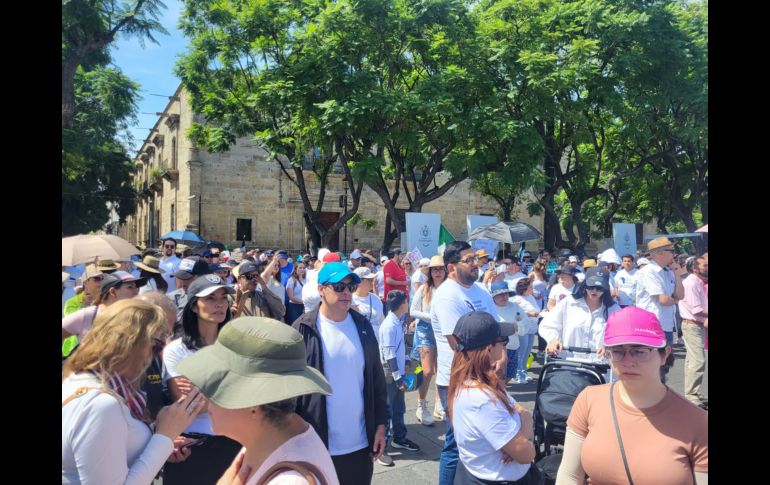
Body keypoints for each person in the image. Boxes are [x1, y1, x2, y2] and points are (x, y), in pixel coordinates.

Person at [173, 316, 340, 485]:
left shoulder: (289, 480)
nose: (206, 394)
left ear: (253, 402)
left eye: (217, 385)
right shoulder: (266, 440)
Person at [555, 307, 708, 484]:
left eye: (639, 351)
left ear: (664, 355)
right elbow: (569, 475)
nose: (628, 362)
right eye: (618, 351)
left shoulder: (698, 422)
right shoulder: (589, 400)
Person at [62, 299, 205, 484]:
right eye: (157, 346)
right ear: (128, 342)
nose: (159, 355)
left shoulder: (79, 377)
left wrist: (157, 442)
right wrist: (164, 436)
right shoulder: (101, 404)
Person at [293, 262, 389, 483]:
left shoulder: (363, 326)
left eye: (350, 287)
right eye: (338, 286)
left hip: (360, 444)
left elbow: (376, 380)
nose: (346, 292)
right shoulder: (302, 330)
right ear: (321, 290)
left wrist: (381, 425)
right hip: (317, 444)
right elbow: (291, 392)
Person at [162, 275, 243, 484]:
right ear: (194, 307)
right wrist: (229, 390)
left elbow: (248, 400)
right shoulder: (176, 350)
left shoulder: (237, 347)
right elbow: (187, 404)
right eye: (210, 298)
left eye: (223, 297)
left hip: (233, 442)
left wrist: (201, 391)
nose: (219, 304)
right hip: (191, 447)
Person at [430, 241, 499, 485]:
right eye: (468, 260)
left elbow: (496, 328)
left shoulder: (480, 291)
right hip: (456, 379)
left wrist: (500, 356)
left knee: (477, 441)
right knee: (456, 443)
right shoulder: (447, 296)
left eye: (475, 259)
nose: (475, 264)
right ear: (451, 267)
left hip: (484, 375)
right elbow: (458, 343)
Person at [448, 311, 542, 485]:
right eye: (503, 342)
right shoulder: (483, 400)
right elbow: (527, 454)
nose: (505, 347)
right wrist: (526, 436)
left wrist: (520, 433)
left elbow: (522, 411)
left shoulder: (471, 381)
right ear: (489, 349)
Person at [539, 267, 620, 362]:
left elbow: (621, 334)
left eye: (599, 288)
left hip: (599, 365)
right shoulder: (568, 303)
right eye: (591, 286)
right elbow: (548, 325)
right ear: (585, 285)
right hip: (568, 363)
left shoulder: (614, 310)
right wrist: (552, 339)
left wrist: (609, 345)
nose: (594, 291)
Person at [635, 237, 686, 381]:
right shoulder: (649, 271)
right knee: (651, 366)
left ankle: (658, 396)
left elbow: (680, 295)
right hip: (651, 326)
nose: (674, 254)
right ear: (660, 253)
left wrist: (677, 275)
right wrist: (674, 299)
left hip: (666, 325)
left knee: (664, 365)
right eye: (671, 251)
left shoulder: (668, 272)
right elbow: (663, 300)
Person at [379, 290, 421, 458]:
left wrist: (405, 359)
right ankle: (382, 447)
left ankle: (399, 438)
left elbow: (399, 347)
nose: (408, 304)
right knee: (388, 410)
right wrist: (398, 378)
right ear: (402, 304)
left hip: (397, 370)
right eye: (406, 301)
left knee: (399, 408)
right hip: (390, 373)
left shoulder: (398, 321)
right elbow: (388, 355)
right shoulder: (389, 325)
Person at [409, 255, 446, 426]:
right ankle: (421, 404)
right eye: (434, 269)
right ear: (430, 272)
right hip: (425, 329)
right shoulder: (424, 288)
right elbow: (413, 311)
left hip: (444, 331)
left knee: (443, 369)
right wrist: (432, 317)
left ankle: (439, 403)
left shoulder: (449, 289)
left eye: (440, 268)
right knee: (427, 370)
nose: (437, 272)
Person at [62, 271, 145, 344]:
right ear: (113, 292)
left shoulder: (138, 318)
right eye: (130, 287)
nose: (136, 292)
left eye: (137, 287)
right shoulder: (88, 315)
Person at [678, 256, 708, 407]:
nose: (707, 268)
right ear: (695, 268)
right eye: (705, 265)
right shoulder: (691, 283)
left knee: (692, 361)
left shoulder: (697, 282)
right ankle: (691, 394)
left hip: (696, 325)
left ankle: (692, 392)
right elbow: (697, 310)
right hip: (692, 325)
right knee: (698, 361)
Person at [489, 280, 522, 383]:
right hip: (498, 348)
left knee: (510, 375)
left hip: (514, 345)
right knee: (499, 374)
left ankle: (502, 391)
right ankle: (500, 395)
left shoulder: (515, 306)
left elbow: (524, 320)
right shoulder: (490, 308)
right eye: (500, 294)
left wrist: (519, 326)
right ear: (493, 296)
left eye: (506, 294)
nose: (504, 297)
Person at [511, 278, 541, 384]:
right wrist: (529, 314)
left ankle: (523, 372)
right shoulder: (516, 299)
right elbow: (515, 314)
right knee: (521, 352)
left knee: (527, 353)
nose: (532, 289)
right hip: (522, 329)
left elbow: (536, 309)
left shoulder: (531, 297)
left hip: (532, 328)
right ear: (524, 288)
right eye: (530, 287)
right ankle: (517, 374)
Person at [351, 267, 385, 341]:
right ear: (359, 281)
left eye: (372, 280)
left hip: (376, 343)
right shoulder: (350, 299)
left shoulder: (376, 299)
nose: (372, 282)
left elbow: (382, 321)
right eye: (369, 280)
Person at [285, 260, 307, 324]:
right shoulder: (291, 280)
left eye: (303, 268)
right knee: (296, 324)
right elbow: (291, 297)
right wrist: (304, 301)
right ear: (295, 269)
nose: (302, 269)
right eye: (300, 268)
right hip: (294, 307)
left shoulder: (306, 280)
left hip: (304, 306)